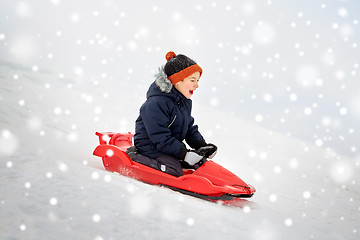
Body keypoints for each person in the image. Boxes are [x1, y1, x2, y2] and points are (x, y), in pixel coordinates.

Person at [129, 51, 217, 177]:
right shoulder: (156, 103)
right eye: (193, 80)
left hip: (168, 147)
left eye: (197, 80)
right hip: (151, 148)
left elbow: (189, 128)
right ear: (177, 81)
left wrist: (201, 146)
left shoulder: (183, 102)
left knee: (199, 164)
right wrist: (184, 154)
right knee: (173, 171)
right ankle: (135, 158)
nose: (197, 85)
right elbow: (159, 137)